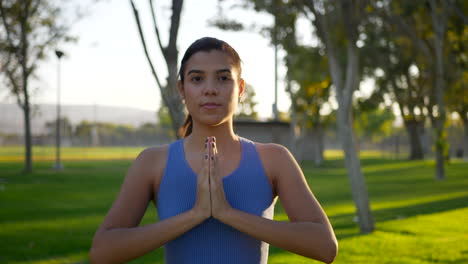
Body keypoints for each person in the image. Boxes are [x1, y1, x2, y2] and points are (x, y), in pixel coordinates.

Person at [89, 37, 337, 264]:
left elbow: (325, 246)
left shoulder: (274, 159)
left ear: (240, 89)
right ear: (182, 89)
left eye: (222, 78)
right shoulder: (153, 162)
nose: (210, 89)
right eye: (197, 79)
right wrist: (195, 214)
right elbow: (103, 251)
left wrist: (227, 213)